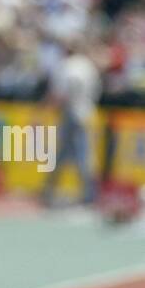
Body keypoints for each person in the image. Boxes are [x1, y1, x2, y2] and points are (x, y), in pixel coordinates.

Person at [41, 42, 102, 208]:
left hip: (71, 112)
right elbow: (97, 91)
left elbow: (59, 93)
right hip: (88, 111)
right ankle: (85, 193)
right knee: (81, 153)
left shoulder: (65, 66)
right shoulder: (88, 65)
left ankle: (54, 190)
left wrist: (44, 111)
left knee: (74, 153)